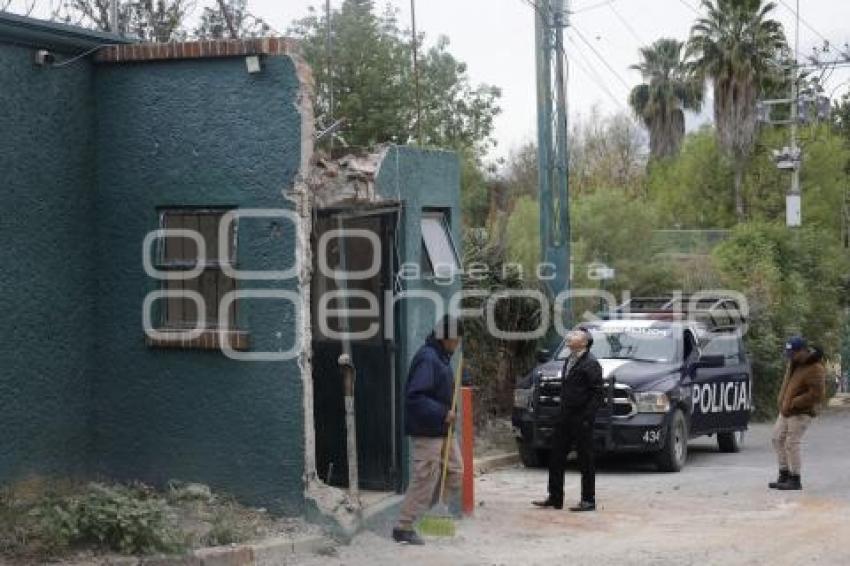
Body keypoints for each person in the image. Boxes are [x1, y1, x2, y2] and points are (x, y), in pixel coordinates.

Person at [392, 315, 463, 545]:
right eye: (457, 339)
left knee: (455, 472)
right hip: (428, 430)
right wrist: (443, 413)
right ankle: (403, 526)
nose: (459, 343)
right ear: (448, 338)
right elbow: (415, 397)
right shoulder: (428, 358)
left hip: (443, 430)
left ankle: (428, 514)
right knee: (425, 478)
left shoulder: (442, 358)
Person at [533, 327, 604, 512]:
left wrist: (587, 418)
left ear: (584, 342)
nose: (569, 337)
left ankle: (588, 499)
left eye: (575, 335)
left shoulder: (591, 363)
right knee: (556, 456)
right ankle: (555, 497)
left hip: (581, 418)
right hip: (565, 416)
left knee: (585, 459)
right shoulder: (570, 359)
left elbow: (597, 394)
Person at [769, 336, 826, 491]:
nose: (790, 356)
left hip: (801, 412)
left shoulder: (815, 368)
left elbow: (817, 394)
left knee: (791, 443)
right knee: (776, 439)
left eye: (793, 353)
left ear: (802, 351)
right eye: (789, 353)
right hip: (786, 410)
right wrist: (782, 401)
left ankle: (795, 479)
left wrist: (795, 402)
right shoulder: (794, 363)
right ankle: (784, 474)